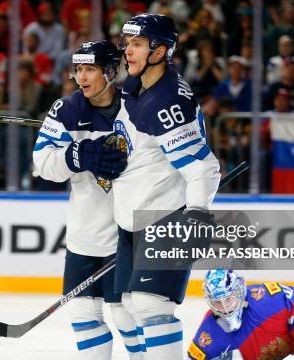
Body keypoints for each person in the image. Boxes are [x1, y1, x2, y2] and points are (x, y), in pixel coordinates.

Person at [112, 14, 221, 359]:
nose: (128, 51)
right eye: (127, 43)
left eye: (138, 44)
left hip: (166, 215)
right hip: (136, 215)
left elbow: (204, 166)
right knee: (125, 305)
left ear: (160, 50)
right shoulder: (137, 84)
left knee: (149, 304)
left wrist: (199, 214)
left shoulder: (167, 102)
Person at [32, 41, 141, 360]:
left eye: (90, 69)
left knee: (127, 314)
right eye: (78, 69)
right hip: (85, 235)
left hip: (126, 234)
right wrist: (74, 155)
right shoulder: (66, 109)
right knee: (82, 314)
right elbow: (42, 164)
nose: (81, 76)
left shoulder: (136, 108)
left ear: (109, 71)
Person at [188, 269, 294, 360]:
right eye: (217, 302)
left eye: (228, 299)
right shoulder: (207, 335)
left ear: (239, 291)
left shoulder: (267, 297)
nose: (225, 307)